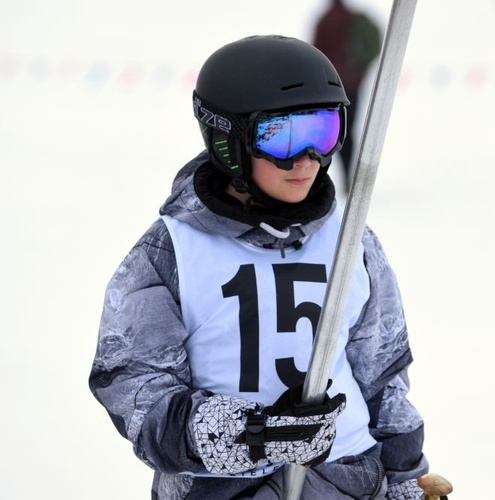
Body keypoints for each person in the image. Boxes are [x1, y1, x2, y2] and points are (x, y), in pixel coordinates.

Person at [88, 35, 429, 499]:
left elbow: (383, 375)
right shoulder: (172, 252)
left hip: (348, 482)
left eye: (324, 131)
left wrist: (404, 477)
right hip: (225, 489)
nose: (309, 159)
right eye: (284, 137)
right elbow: (133, 385)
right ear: (230, 141)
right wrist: (250, 434)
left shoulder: (351, 242)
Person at [313, 0, 382, 191]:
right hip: (347, 86)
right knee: (345, 133)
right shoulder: (354, 19)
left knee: (329, 133)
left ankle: (332, 179)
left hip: (331, 88)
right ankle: (346, 178)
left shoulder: (327, 20)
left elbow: (315, 53)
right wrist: (357, 71)